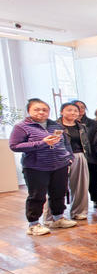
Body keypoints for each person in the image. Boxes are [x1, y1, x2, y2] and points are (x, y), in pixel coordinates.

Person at [9, 98, 77, 235]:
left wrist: (69, 157)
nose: (41, 112)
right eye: (37, 109)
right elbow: (15, 146)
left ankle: (58, 218)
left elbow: (66, 143)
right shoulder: (21, 127)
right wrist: (42, 143)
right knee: (37, 196)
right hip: (36, 167)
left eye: (45, 110)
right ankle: (33, 224)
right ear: (29, 111)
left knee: (59, 193)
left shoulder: (56, 125)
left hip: (59, 165)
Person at [42, 102, 92, 222]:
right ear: (61, 112)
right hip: (60, 158)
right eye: (69, 110)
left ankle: (78, 212)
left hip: (79, 156)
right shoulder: (54, 126)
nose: (73, 113)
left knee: (80, 186)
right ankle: (51, 217)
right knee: (56, 187)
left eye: (75, 111)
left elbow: (86, 143)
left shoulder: (81, 127)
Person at [73, 99, 97, 209]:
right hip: (75, 155)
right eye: (77, 107)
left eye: (82, 107)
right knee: (77, 181)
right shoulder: (67, 124)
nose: (80, 109)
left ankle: (96, 199)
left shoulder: (94, 123)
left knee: (94, 179)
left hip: (92, 155)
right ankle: (78, 204)